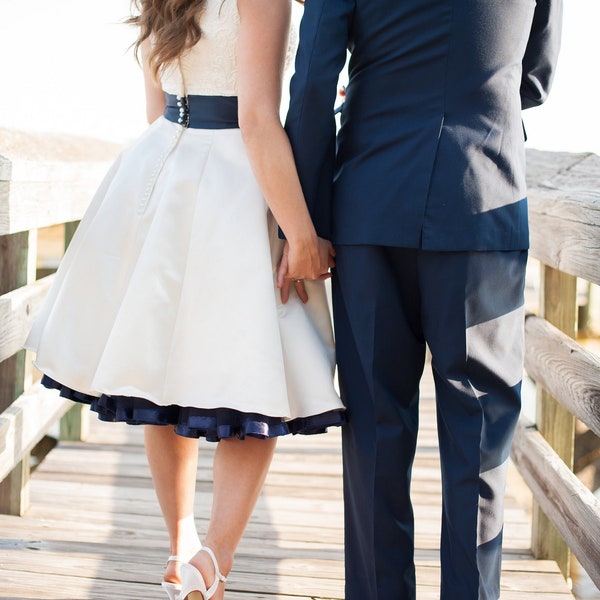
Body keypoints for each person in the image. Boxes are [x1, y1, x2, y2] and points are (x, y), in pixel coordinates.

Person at [24, 1, 344, 599]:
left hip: (160, 167)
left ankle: (179, 548)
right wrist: (300, 232)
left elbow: (156, 109)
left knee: (158, 368)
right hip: (239, 177)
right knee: (252, 370)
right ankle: (212, 561)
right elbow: (257, 120)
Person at [285, 0, 562, 598]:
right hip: (481, 203)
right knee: (479, 440)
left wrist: (305, 226)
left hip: (370, 205)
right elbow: (535, 77)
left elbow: (311, 85)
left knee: (376, 436)